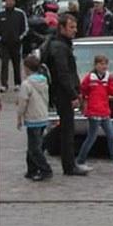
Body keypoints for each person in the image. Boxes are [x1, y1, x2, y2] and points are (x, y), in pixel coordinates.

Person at [42, 14, 88, 175]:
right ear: (62, 28)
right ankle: (69, 166)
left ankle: (40, 149)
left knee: (65, 127)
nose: (75, 31)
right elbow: (63, 74)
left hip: (63, 92)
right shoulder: (59, 47)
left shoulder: (62, 45)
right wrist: (73, 94)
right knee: (67, 130)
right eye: (71, 27)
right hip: (62, 93)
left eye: (75, 27)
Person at [75, 55, 113, 170]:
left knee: (111, 136)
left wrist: (112, 81)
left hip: (104, 112)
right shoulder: (90, 78)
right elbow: (83, 90)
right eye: (101, 64)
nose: (103, 66)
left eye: (105, 64)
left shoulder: (108, 78)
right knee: (91, 137)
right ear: (95, 65)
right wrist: (84, 102)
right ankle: (80, 161)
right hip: (94, 112)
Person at [16, 55, 53, 181]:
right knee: (35, 145)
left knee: (34, 148)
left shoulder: (26, 84)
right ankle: (31, 169)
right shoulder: (44, 81)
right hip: (42, 116)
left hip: (32, 118)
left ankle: (45, 169)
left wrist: (19, 117)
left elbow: (22, 102)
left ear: (26, 68)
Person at [0, 0, 28, 92]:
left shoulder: (20, 13)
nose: (9, 3)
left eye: (10, 1)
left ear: (14, 2)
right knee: (4, 64)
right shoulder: (0, 14)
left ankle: (17, 83)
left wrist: (20, 38)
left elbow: (25, 28)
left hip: (16, 43)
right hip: (4, 44)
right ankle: (4, 84)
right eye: (7, 1)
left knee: (16, 64)